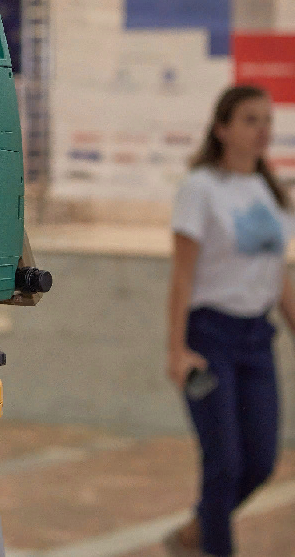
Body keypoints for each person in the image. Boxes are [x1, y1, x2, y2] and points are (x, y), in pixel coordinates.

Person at [164, 85, 295, 557]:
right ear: (222, 129)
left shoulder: (271, 191)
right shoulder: (201, 189)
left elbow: (278, 276)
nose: (263, 129)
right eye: (250, 120)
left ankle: (194, 533)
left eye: (267, 120)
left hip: (257, 339)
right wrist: (176, 350)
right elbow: (182, 276)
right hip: (210, 337)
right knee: (224, 465)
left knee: (260, 463)